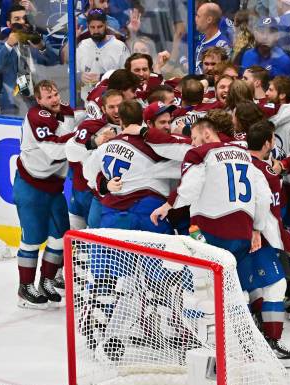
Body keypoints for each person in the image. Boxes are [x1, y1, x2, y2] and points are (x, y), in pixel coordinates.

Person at [148, 118, 277, 305]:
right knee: (237, 287)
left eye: (194, 137)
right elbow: (264, 196)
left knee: (202, 288)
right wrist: (257, 228)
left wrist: (167, 206)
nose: (192, 143)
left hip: (208, 231)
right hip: (242, 233)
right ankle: (241, 331)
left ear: (206, 134)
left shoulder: (199, 153)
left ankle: (207, 332)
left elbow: (190, 188)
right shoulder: (245, 154)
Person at [246, 120, 290, 367]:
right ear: (268, 143)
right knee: (276, 285)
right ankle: (271, 343)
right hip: (256, 238)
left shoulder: (235, 160)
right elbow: (271, 216)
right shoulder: (267, 172)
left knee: (249, 289)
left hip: (230, 236)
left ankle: (251, 337)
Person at [14, 80, 75, 309]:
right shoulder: (36, 116)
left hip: (53, 187)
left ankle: (47, 280)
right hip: (30, 186)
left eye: (56, 94)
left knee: (60, 236)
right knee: (31, 240)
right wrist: (82, 139)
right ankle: (25, 286)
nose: (55, 99)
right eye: (48, 97)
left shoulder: (66, 112)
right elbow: (54, 149)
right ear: (39, 100)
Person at [85, 100, 190, 233]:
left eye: (169, 122)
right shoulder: (157, 145)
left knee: (108, 252)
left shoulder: (106, 145)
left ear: (121, 121)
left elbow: (87, 171)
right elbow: (193, 151)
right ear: (145, 122)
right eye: (162, 122)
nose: (167, 127)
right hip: (147, 213)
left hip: (112, 214)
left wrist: (104, 184)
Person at [65, 90, 122, 230]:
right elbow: (71, 153)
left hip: (127, 199)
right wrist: (95, 142)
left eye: (120, 106)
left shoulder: (136, 124)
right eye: (111, 107)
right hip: (97, 195)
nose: (117, 111)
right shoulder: (91, 126)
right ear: (103, 109)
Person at [0, 4, 59, 114]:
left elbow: (55, 62)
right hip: (13, 101)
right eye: (17, 19)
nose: (22, 22)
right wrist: (9, 44)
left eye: (24, 18)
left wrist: (41, 47)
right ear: (9, 24)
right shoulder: (2, 45)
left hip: (42, 98)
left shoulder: (38, 40)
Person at [76, 9, 130, 102]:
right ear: (88, 26)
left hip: (113, 102)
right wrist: (80, 76)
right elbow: (71, 72)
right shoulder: (82, 45)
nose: (96, 30)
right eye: (92, 27)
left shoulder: (120, 46)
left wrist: (102, 78)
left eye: (99, 26)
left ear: (105, 25)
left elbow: (127, 76)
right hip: (86, 102)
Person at [194, 2, 231, 74]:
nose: (195, 19)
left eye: (198, 16)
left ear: (209, 20)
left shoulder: (222, 45)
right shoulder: (200, 38)